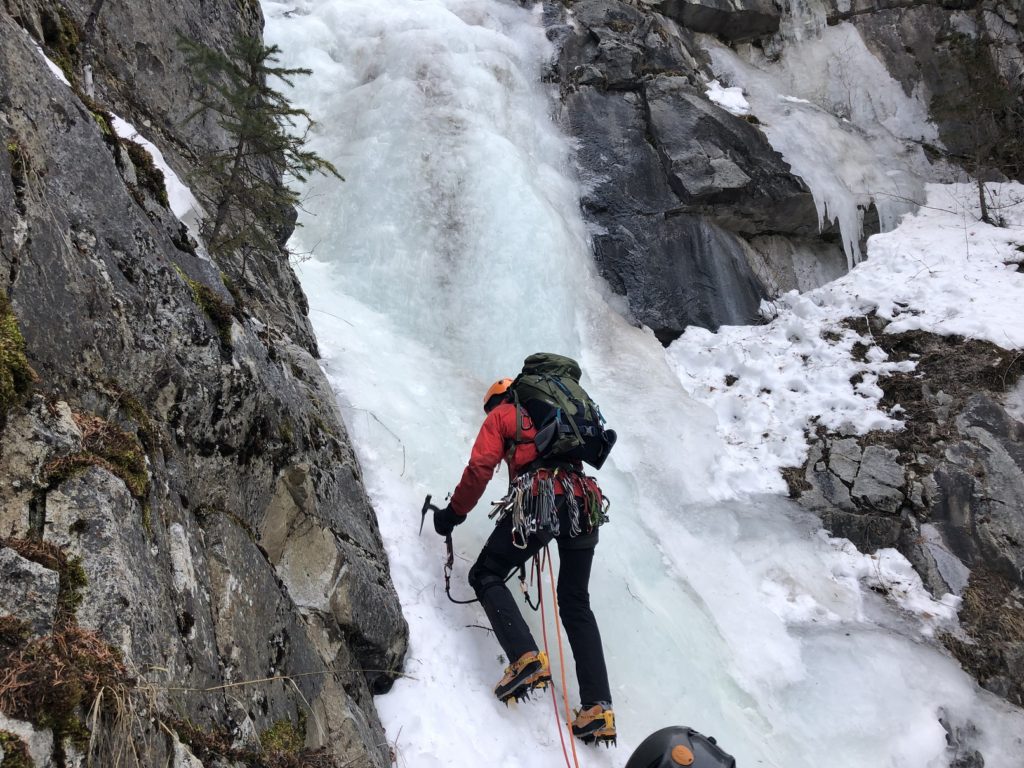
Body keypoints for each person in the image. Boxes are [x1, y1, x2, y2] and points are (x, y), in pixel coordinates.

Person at [433, 377, 616, 744]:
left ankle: (525, 657)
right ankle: (599, 709)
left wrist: (452, 514)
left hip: (543, 495)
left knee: (486, 572)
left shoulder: (503, 415)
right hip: (584, 501)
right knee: (576, 602)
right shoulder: (558, 416)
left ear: (498, 400)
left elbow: (480, 468)